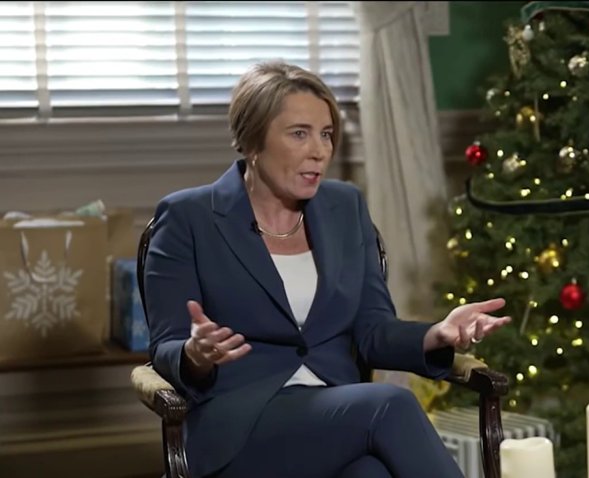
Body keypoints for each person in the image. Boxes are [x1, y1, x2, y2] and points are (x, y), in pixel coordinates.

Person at [143, 59, 512, 478]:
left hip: (340, 421)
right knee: (392, 404)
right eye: (299, 133)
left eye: (326, 134)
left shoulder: (344, 207)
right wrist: (196, 355)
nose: (319, 151)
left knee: (371, 474)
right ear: (252, 141)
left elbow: (372, 329)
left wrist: (435, 334)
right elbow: (166, 346)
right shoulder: (188, 217)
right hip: (241, 428)